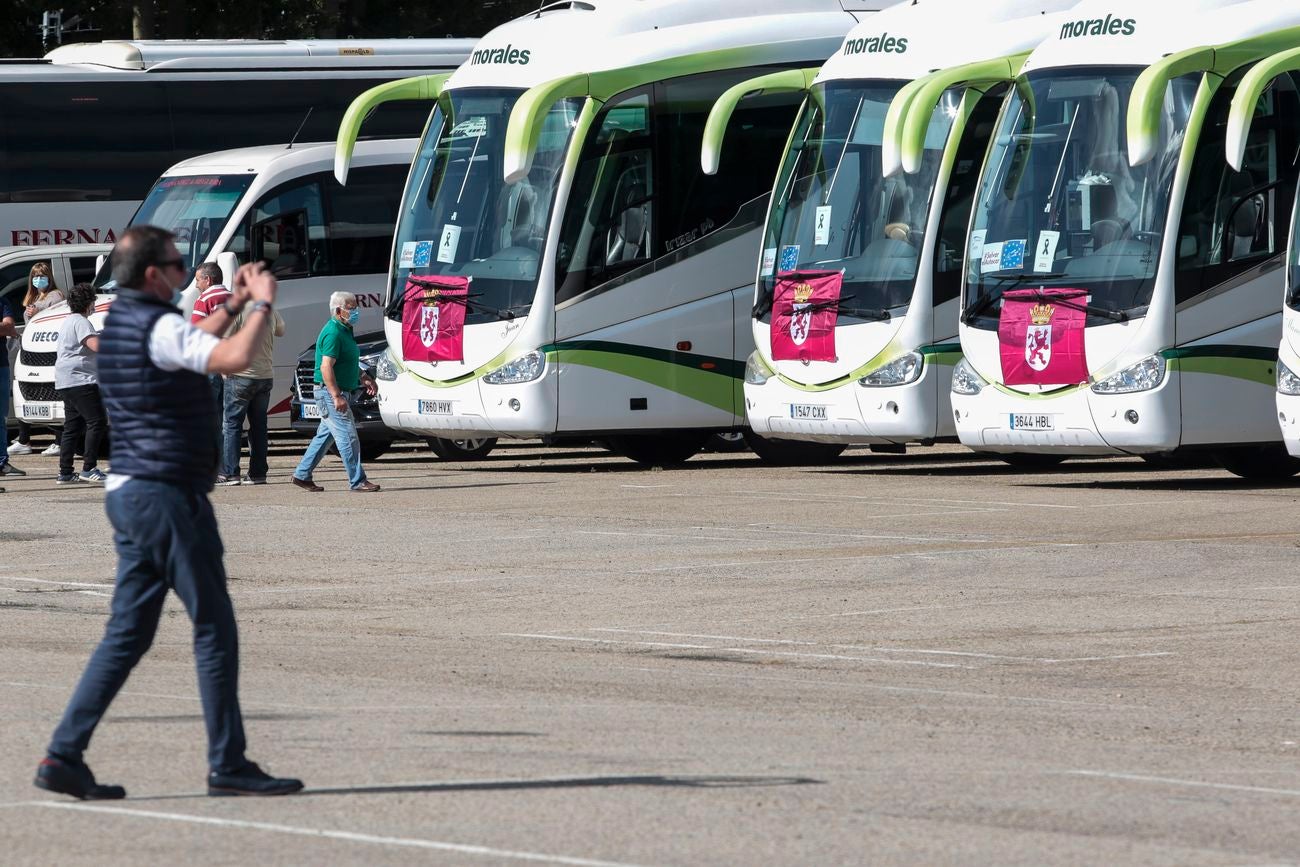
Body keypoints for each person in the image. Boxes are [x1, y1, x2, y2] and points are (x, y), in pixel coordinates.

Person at [35, 225, 302, 800]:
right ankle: (227, 762)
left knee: (127, 633)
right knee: (214, 627)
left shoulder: (123, 322)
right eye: (179, 265)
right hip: (167, 495)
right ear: (155, 275)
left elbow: (192, 341)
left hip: (131, 494)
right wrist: (257, 304)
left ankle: (63, 755)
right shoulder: (157, 325)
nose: (186, 272)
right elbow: (228, 357)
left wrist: (231, 302)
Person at [291, 291, 380, 493]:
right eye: (351, 307)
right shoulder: (333, 332)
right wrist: (336, 395)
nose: (356, 311)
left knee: (325, 436)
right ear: (339, 311)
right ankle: (358, 480)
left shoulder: (345, 329)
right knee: (348, 436)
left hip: (337, 392)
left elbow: (346, 360)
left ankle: (302, 474)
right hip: (329, 393)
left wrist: (363, 376)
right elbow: (326, 367)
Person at [216, 298, 285, 485]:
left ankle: (231, 473)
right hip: (264, 376)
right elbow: (281, 330)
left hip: (240, 375)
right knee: (259, 426)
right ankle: (257, 474)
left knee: (232, 425)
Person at [53, 283, 108, 485]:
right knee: (97, 421)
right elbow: (95, 345)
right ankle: (89, 467)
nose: (94, 304)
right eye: (93, 301)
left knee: (72, 426)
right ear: (88, 303)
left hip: (65, 381)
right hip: (80, 380)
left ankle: (65, 472)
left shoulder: (69, 321)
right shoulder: (82, 322)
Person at [12, 261, 67, 457]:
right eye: (35, 276)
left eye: (42, 275)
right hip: (31, 350)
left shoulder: (55, 296)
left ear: (49, 277)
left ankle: (59, 441)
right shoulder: (33, 296)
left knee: (52, 393)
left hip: (50, 352)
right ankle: (23, 438)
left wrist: (38, 312)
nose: (38, 279)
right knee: (28, 393)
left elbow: (55, 318)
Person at [190, 262, 230, 434]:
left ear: (208, 279)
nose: (197, 285)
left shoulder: (205, 299)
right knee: (225, 417)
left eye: (198, 280)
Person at [0, 292, 23, 486]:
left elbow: (9, 327)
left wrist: (5, 328)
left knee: (1, 418)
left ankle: (2, 462)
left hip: (1, 367)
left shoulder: (2, 301)